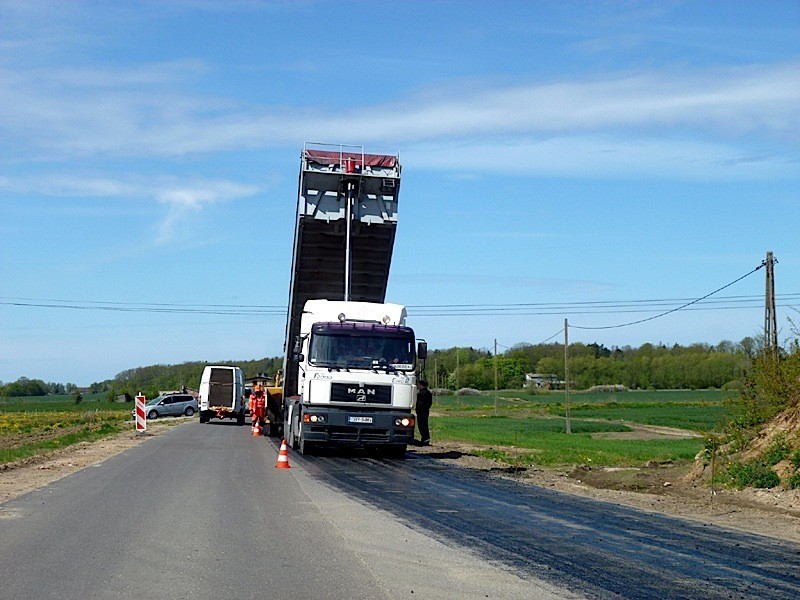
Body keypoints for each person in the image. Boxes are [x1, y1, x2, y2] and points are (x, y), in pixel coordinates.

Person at [415, 379, 432, 446]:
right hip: (425, 411)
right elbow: (429, 403)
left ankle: (425, 439)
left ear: (421, 385)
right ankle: (425, 439)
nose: (418, 386)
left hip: (421, 411)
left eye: (419, 384)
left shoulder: (422, 393)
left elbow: (420, 403)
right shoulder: (428, 393)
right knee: (424, 425)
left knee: (422, 425)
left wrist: (418, 409)